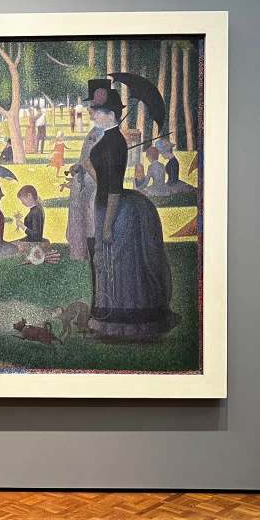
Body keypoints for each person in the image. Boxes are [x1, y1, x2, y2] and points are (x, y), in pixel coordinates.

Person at [83, 78, 175, 337]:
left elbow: (113, 188)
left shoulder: (115, 143)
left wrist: (108, 225)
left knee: (118, 265)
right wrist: (88, 166)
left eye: (96, 110)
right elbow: (102, 181)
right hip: (104, 205)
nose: (92, 114)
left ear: (110, 114)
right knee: (107, 263)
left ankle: (123, 325)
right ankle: (108, 321)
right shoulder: (108, 139)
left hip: (115, 210)